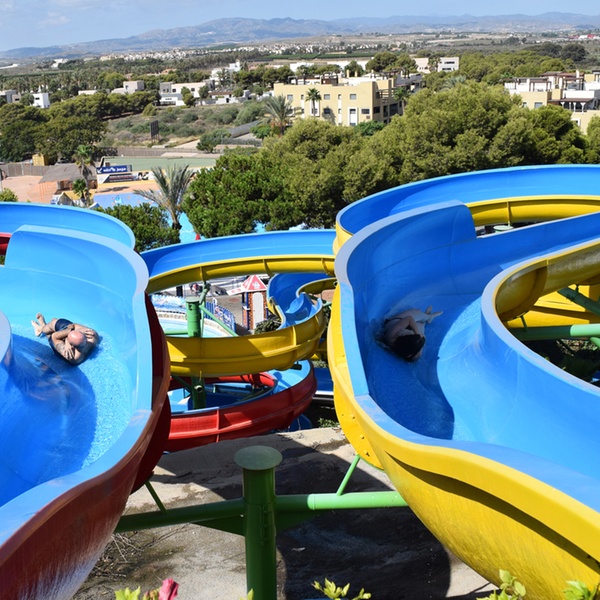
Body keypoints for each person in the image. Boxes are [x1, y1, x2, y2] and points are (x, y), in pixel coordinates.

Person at [31, 313, 99, 365]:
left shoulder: (73, 356)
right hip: (69, 331)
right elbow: (73, 325)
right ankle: (43, 328)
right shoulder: (92, 335)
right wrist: (74, 331)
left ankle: (42, 326)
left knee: (50, 336)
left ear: (72, 346)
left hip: (60, 338)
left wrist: (67, 340)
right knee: (54, 322)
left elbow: (54, 336)